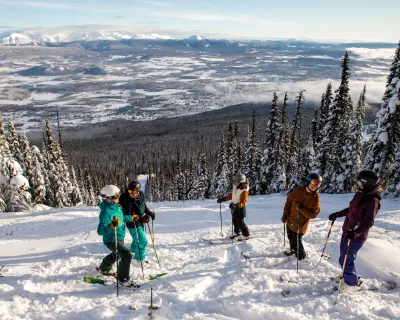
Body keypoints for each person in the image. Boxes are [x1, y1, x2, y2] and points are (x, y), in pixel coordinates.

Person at [328, 169, 381, 293]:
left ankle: (351, 284)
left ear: (367, 183)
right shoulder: (360, 194)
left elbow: (368, 222)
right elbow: (351, 209)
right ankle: (348, 277)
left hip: (356, 236)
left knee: (347, 259)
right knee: (343, 258)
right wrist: (337, 214)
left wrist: (356, 232)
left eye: (360, 182)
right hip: (347, 231)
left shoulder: (373, 201)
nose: (358, 185)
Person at [97, 185, 136, 286]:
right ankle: (123, 279)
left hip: (119, 237)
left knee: (117, 254)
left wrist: (131, 218)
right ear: (109, 199)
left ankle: (104, 268)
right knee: (126, 255)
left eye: (118, 195)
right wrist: (111, 226)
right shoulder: (106, 212)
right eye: (116, 196)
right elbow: (100, 230)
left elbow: (121, 219)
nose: (118, 198)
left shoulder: (116, 206)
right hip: (111, 239)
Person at [281, 172, 322, 260]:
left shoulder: (316, 199)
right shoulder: (297, 191)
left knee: (296, 242)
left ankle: (301, 257)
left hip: (301, 224)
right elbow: (288, 202)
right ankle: (293, 250)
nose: (315, 186)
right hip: (290, 220)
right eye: (314, 182)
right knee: (290, 237)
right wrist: (285, 215)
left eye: (318, 184)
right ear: (308, 182)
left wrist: (301, 208)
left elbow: (313, 214)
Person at [119, 180, 155, 263]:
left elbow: (143, 206)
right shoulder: (123, 200)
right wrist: (131, 217)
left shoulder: (141, 195)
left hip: (141, 221)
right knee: (142, 241)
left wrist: (148, 213)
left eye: (134, 191)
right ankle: (139, 259)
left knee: (137, 239)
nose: (132, 193)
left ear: (138, 191)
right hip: (132, 224)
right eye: (130, 191)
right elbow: (121, 216)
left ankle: (132, 250)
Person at [217, 172, 250, 241]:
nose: (235, 181)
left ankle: (246, 235)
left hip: (240, 208)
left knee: (241, 223)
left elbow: (244, 201)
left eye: (236, 180)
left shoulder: (244, 190)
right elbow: (232, 195)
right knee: (234, 221)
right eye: (235, 180)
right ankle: (237, 233)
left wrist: (237, 205)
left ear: (240, 181)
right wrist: (223, 199)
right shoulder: (236, 186)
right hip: (235, 207)